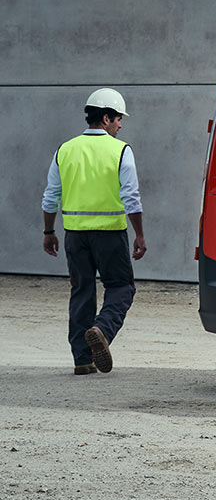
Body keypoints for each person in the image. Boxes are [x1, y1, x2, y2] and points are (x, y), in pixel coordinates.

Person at [42, 88, 147, 375]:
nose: (120, 125)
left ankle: (82, 360)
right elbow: (132, 198)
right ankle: (102, 330)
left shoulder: (65, 149)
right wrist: (139, 234)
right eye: (118, 119)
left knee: (81, 291)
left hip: (75, 236)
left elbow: (50, 196)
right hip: (110, 235)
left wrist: (48, 231)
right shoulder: (120, 150)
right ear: (105, 118)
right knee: (122, 287)